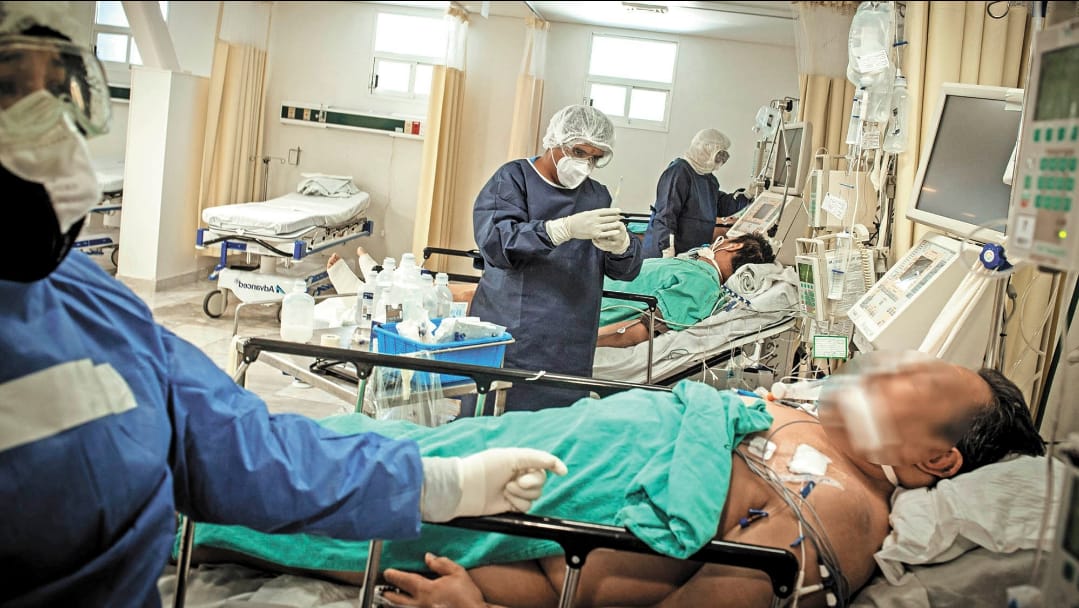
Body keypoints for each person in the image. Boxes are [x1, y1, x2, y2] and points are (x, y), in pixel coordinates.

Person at [0, 5, 567, 606]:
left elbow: (233, 444)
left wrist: (438, 483)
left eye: (58, 90)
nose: (52, 133)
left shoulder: (84, 301)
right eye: (12, 88)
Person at [176, 356, 1045, 608]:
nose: (889, 374)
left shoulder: (843, 516)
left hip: (493, 512)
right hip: (493, 446)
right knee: (289, 440)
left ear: (937, 462)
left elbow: (643, 590)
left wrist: (477, 605)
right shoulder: (806, 416)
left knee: (255, 484)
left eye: (916, 388)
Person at [469, 104, 643, 413]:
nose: (585, 164)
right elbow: (495, 244)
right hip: (513, 333)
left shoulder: (597, 196)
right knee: (495, 423)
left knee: (558, 428)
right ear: (555, 141)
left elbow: (624, 271)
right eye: (578, 152)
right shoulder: (513, 179)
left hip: (572, 341)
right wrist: (559, 230)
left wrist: (622, 247)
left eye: (594, 158)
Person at [598, 232, 774, 348]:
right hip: (589, 289)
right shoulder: (693, 267)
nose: (715, 242)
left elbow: (641, 331)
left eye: (724, 239)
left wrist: (587, 339)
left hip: (589, 311)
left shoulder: (703, 284)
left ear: (734, 246)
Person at [641, 129, 753, 259]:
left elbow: (720, 205)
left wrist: (746, 195)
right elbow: (666, 215)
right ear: (705, 149)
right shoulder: (679, 172)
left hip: (690, 253)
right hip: (666, 252)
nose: (720, 161)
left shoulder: (709, 179)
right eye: (719, 155)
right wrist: (666, 249)